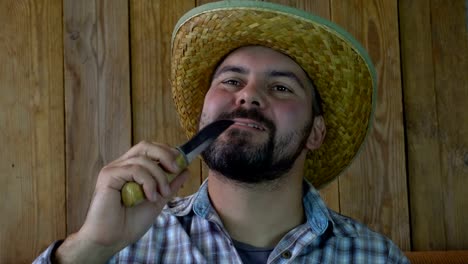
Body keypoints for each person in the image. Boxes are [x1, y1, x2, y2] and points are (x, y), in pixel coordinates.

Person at [35, 1, 409, 263]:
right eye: (231, 80)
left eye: (281, 88)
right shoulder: (122, 247)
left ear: (316, 132)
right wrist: (90, 247)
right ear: (203, 115)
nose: (248, 95)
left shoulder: (376, 257)